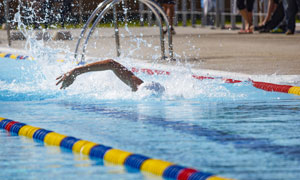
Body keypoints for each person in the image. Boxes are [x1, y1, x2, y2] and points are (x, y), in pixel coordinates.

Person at [56, 59, 165, 93]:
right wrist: (76, 71)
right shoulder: (137, 84)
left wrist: (77, 71)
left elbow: (111, 64)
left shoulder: (137, 85)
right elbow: (111, 63)